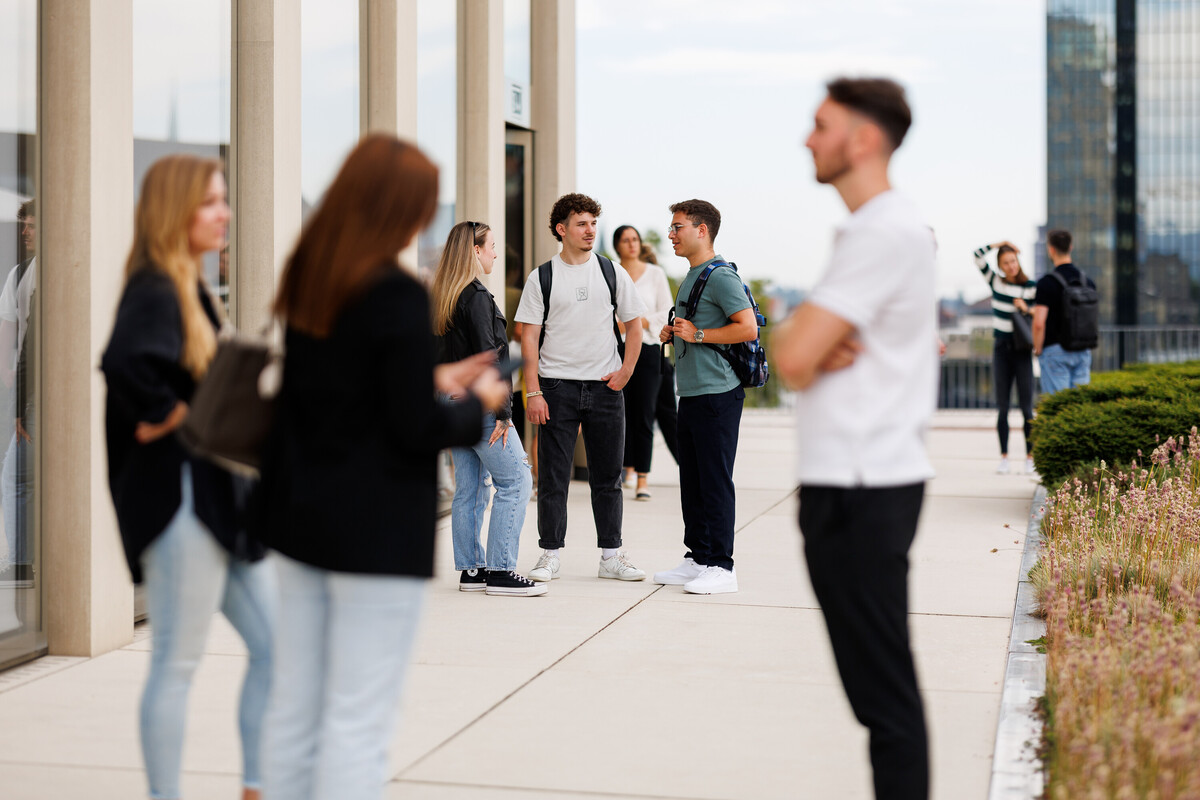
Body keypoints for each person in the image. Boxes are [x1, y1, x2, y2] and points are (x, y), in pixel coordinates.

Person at [258, 135, 509, 799]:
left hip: (302, 516)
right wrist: (477, 399)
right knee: (358, 719)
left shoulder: (312, 281)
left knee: (297, 707)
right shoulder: (393, 292)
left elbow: (352, 394)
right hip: (372, 528)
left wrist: (432, 374)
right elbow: (412, 425)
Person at [773, 77, 935, 799]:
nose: (807, 138)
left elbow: (793, 358)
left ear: (862, 138)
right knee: (880, 699)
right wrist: (800, 339)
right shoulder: (874, 229)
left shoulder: (882, 230)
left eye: (820, 124)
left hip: (863, 490)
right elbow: (798, 350)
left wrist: (800, 339)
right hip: (853, 484)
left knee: (885, 702)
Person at [100, 155, 274, 800]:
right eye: (210, 203)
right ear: (176, 210)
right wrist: (166, 414)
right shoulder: (154, 285)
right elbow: (124, 362)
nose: (224, 212)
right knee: (176, 663)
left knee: (278, 648)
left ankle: (258, 787)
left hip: (219, 505)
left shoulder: (190, 286)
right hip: (179, 507)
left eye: (223, 199)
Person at [515, 193, 648, 583]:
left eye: (593, 223)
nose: (590, 230)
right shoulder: (542, 277)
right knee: (554, 478)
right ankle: (549, 555)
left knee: (607, 477)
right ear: (562, 229)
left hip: (606, 387)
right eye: (582, 224)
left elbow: (635, 325)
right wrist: (534, 391)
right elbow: (528, 337)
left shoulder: (612, 272)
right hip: (557, 388)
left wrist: (625, 372)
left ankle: (611, 556)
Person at [652, 200, 757, 595]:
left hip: (717, 394)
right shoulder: (693, 275)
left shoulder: (720, 276)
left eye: (678, 227)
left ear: (702, 230)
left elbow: (747, 328)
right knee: (692, 480)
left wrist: (696, 334)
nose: (671, 234)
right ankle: (698, 558)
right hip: (692, 393)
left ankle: (722, 565)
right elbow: (696, 325)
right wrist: (675, 332)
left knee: (714, 480)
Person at [431, 220, 541, 597]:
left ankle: (473, 571)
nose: (495, 251)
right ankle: (500, 571)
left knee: (470, 489)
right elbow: (488, 358)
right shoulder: (476, 296)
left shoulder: (444, 295)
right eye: (492, 245)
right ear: (475, 251)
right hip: (478, 405)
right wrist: (504, 413)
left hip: (451, 402)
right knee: (516, 480)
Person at [613, 224, 674, 500]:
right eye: (626, 240)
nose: (632, 244)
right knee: (619, 413)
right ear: (617, 246)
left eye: (635, 239)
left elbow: (666, 312)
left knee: (645, 414)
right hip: (618, 351)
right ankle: (621, 470)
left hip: (648, 350)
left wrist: (638, 323)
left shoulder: (655, 274)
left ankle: (642, 479)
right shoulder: (611, 272)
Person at [974, 241, 1037, 474]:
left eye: (1013, 261)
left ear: (1018, 262)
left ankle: (1029, 457)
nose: (1011, 266)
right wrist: (999, 244)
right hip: (1001, 349)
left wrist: (1025, 308)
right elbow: (977, 257)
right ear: (1000, 266)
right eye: (1006, 263)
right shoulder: (996, 282)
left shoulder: (1030, 287)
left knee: (1026, 407)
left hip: (1021, 349)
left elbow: (1040, 312)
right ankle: (1004, 457)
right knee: (1002, 406)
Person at [0, 199, 35, 584]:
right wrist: (5, 371)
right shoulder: (19, 272)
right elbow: (7, 324)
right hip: (25, 384)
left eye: (33, 225)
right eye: (24, 224)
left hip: (37, 389)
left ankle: (23, 562)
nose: (25, 231)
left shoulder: (50, 270)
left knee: (16, 478)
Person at [1033, 228, 1095, 394]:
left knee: (1058, 407)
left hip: (1055, 351)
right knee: (1079, 407)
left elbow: (1039, 323)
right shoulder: (1087, 282)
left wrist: (1037, 348)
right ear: (1071, 247)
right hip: (1083, 350)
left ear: (1051, 249)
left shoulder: (1046, 283)